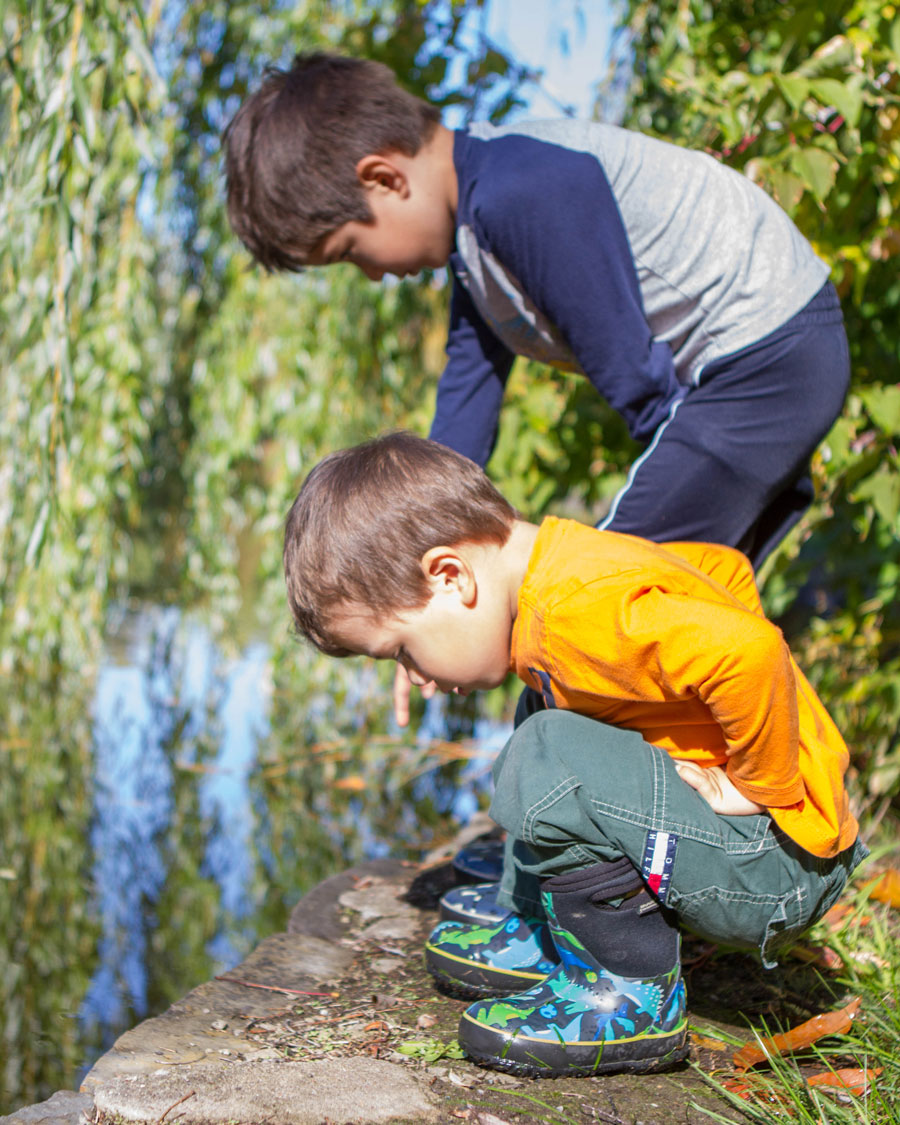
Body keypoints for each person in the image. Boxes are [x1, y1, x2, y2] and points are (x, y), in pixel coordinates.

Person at [223, 52, 851, 726]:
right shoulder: (475, 237)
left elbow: (641, 386)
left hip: (765, 355)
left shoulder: (517, 192)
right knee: (652, 628)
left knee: (577, 610)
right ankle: (723, 779)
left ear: (383, 178)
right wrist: (407, 597)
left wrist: (638, 539)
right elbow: (462, 420)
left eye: (350, 251)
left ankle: (664, 795)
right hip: (752, 373)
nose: (371, 276)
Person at [282, 431, 867, 1078]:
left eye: (401, 650)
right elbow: (720, 569)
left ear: (449, 575)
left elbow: (748, 650)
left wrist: (760, 780)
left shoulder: (576, 612)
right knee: (546, 711)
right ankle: (542, 920)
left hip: (777, 871)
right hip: (775, 849)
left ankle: (629, 990)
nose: (414, 676)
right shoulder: (564, 566)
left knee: (550, 751)